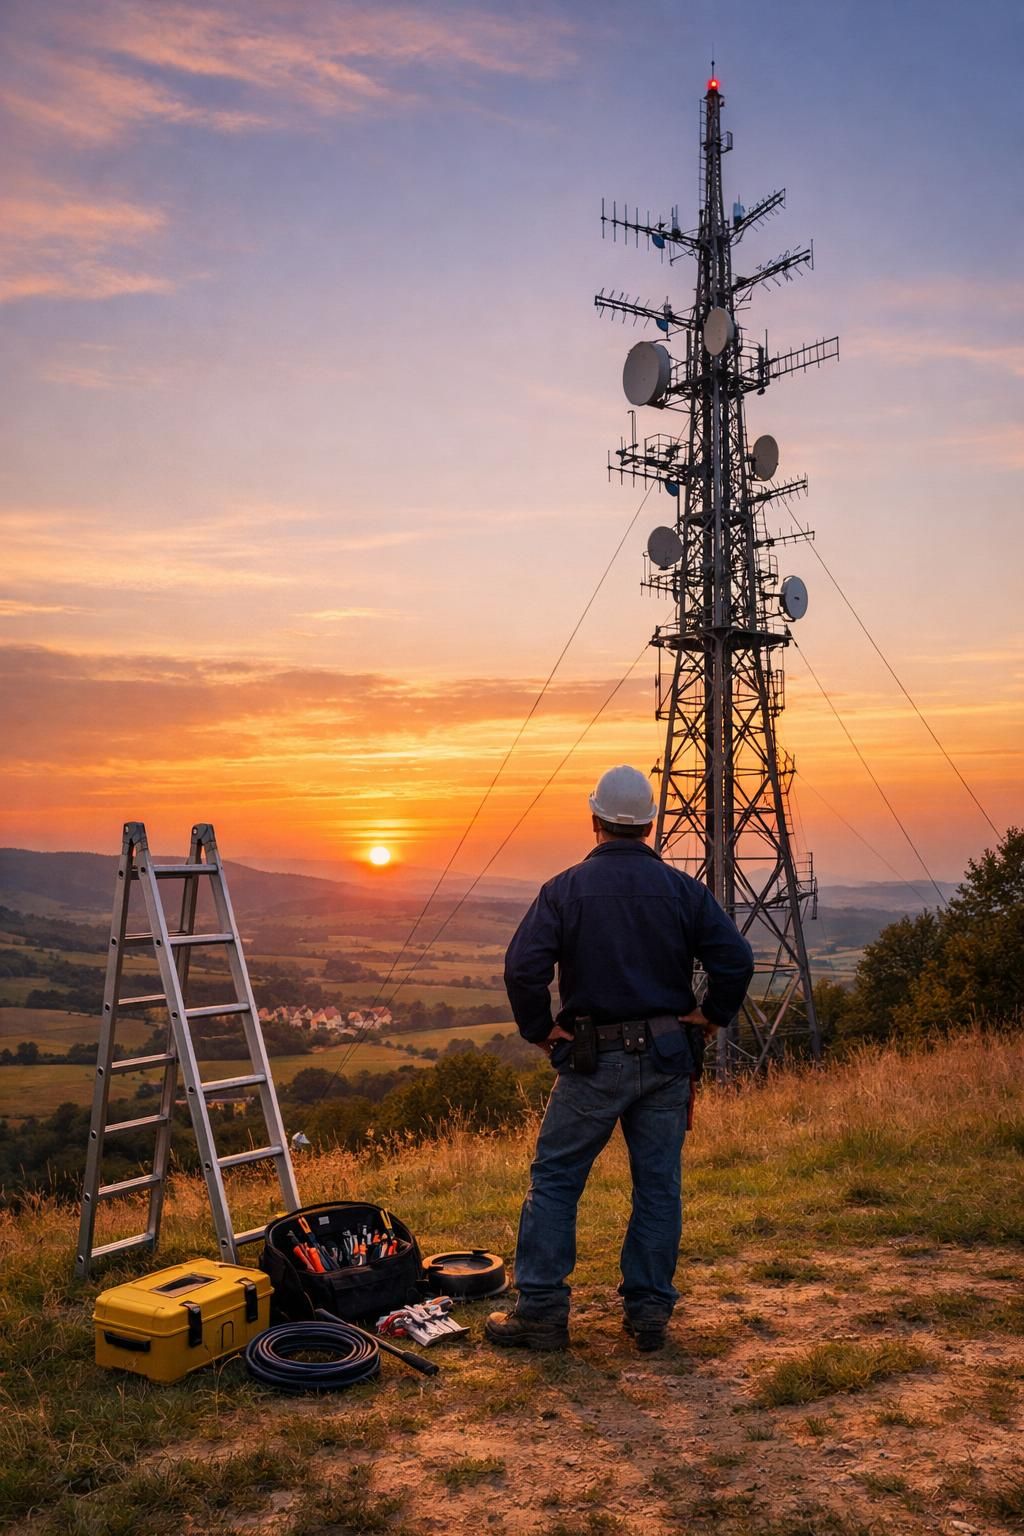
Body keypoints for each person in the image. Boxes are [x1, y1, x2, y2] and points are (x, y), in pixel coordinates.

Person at [486, 764, 754, 1354]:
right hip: (666, 1057)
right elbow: (735, 958)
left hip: (590, 1060)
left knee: (556, 1181)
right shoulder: (685, 891)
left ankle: (543, 1317)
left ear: (595, 819)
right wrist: (711, 1015)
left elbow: (521, 967)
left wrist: (539, 1029)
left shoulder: (563, 889)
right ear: (651, 823)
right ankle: (650, 1315)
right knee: (658, 1186)